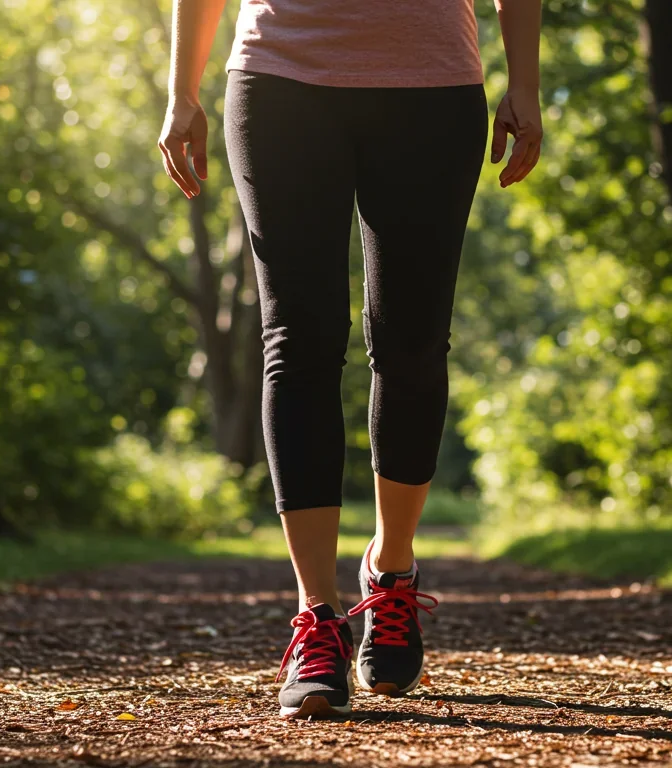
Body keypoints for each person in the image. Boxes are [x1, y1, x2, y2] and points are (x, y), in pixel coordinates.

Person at [158, 0, 543, 719]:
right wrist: (182, 91)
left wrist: (527, 81)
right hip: (280, 79)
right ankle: (319, 618)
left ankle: (391, 569)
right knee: (298, 341)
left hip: (430, 85)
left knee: (413, 344)